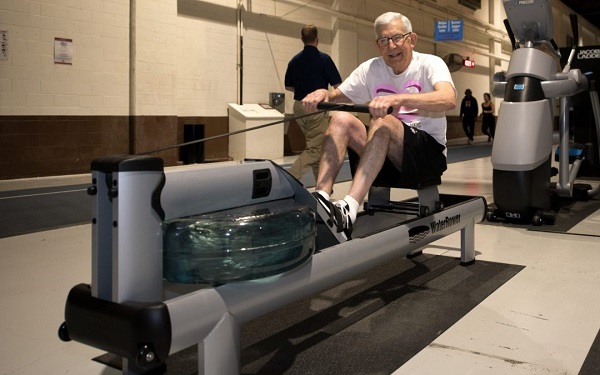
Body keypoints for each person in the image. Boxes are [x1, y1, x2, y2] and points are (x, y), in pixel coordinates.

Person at [302, 12, 456, 237]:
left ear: (411, 39)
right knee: (340, 118)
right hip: (384, 156)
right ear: (378, 45)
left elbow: (448, 99)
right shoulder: (371, 69)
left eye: (397, 38)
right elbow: (337, 95)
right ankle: (322, 200)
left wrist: (399, 99)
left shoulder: (430, 64)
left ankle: (350, 207)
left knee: (383, 122)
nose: (391, 46)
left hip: (426, 157)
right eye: (384, 41)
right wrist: (323, 94)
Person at [284, 25, 343, 181]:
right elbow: (338, 86)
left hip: (299, 107)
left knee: (317, 147)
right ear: (317, 39)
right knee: (315, 149)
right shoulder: (324, 59)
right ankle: (288, 179)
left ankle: (322, 188)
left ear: (302, 40)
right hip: (317, 108)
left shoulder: (293, 61)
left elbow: (288, 86)